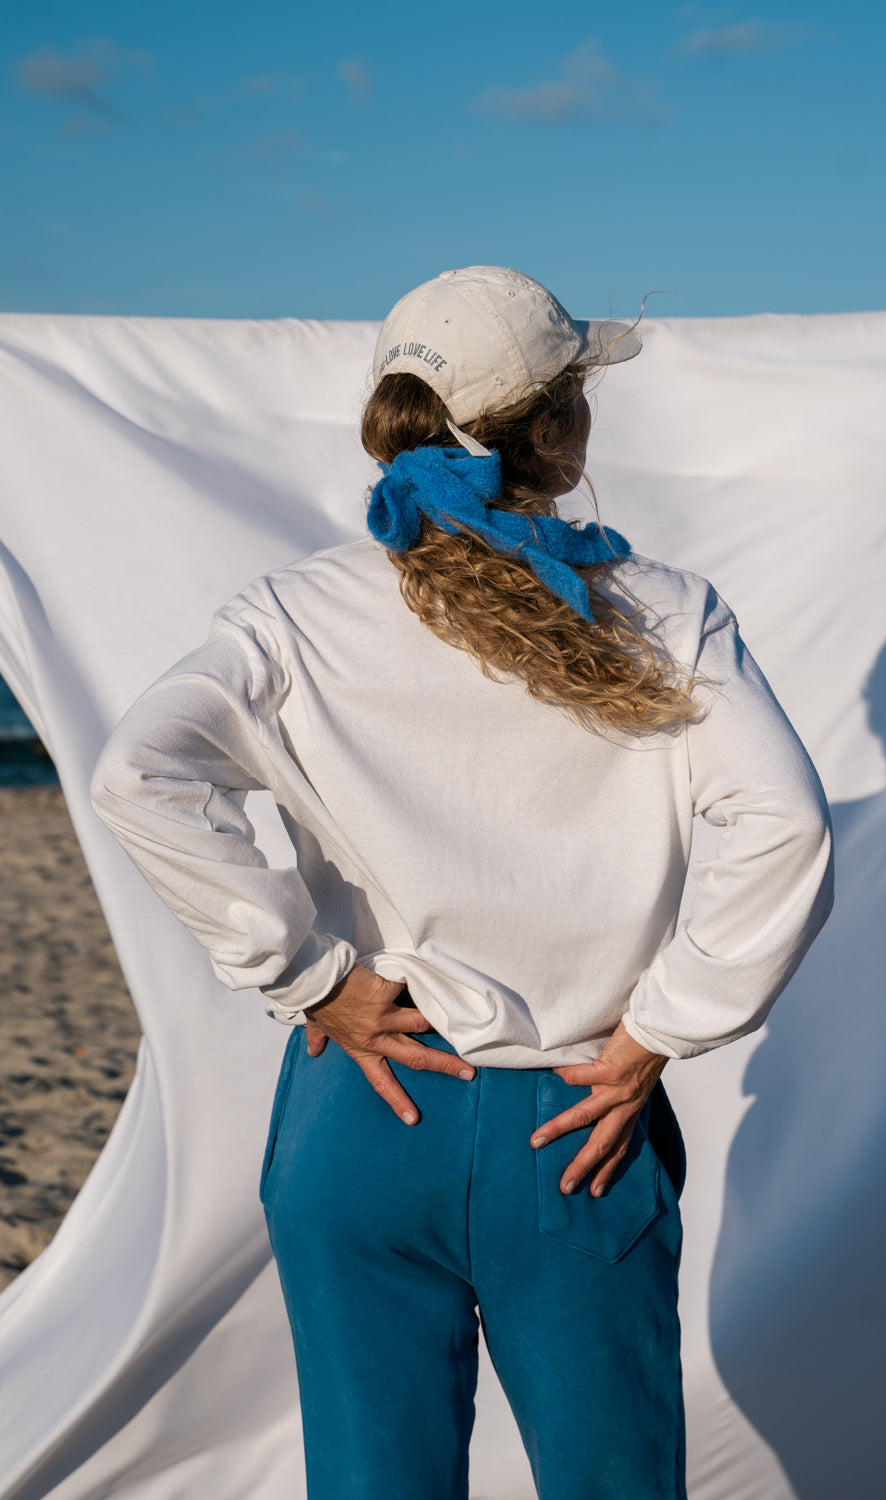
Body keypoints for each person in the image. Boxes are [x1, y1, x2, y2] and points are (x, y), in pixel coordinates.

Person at [89, 265, 834, 1500]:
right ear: (555, 428)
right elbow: (786, 820)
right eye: (580, 391)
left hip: (366, 1107)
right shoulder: (661, 610)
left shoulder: (298, 611)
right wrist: (663, 1027)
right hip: (572, 1124)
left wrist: (310, 978)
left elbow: (137, 773)